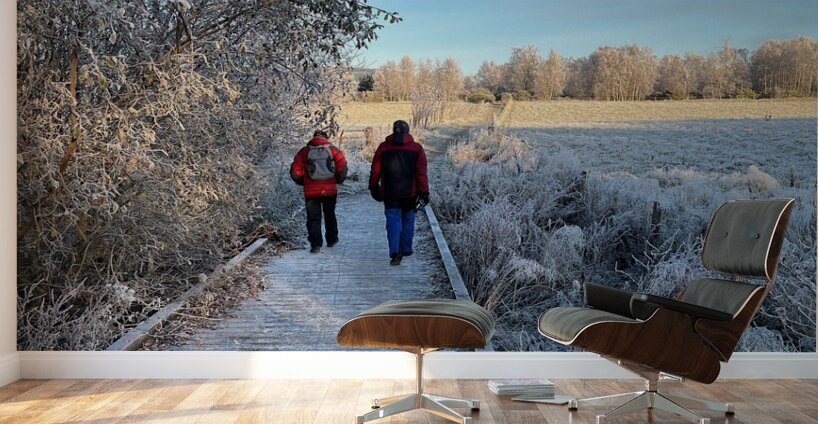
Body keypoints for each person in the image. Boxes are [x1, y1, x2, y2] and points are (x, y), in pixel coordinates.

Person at [369, 120, 429, 265]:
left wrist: (373, 187)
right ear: (408, 131)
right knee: (408, 220)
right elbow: (421, 173)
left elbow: (375, 170)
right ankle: (406, 248)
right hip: (410, 193)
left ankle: (395, 251)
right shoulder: (417, 148)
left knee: (392, 221)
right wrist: (424, 192)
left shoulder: (383, 147)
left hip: (389, 193)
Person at [290, 130, 348, 253]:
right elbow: (342, 167)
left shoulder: (305, 151)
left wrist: (303, 182)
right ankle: (332, 239)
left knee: (313, 217)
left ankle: (315, 244)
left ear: (313, 137)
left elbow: (295, 170)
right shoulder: (334, 150)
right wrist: (337, 180)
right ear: (326, 138)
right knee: (330, 214)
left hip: (311, 191)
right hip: (330, 189)